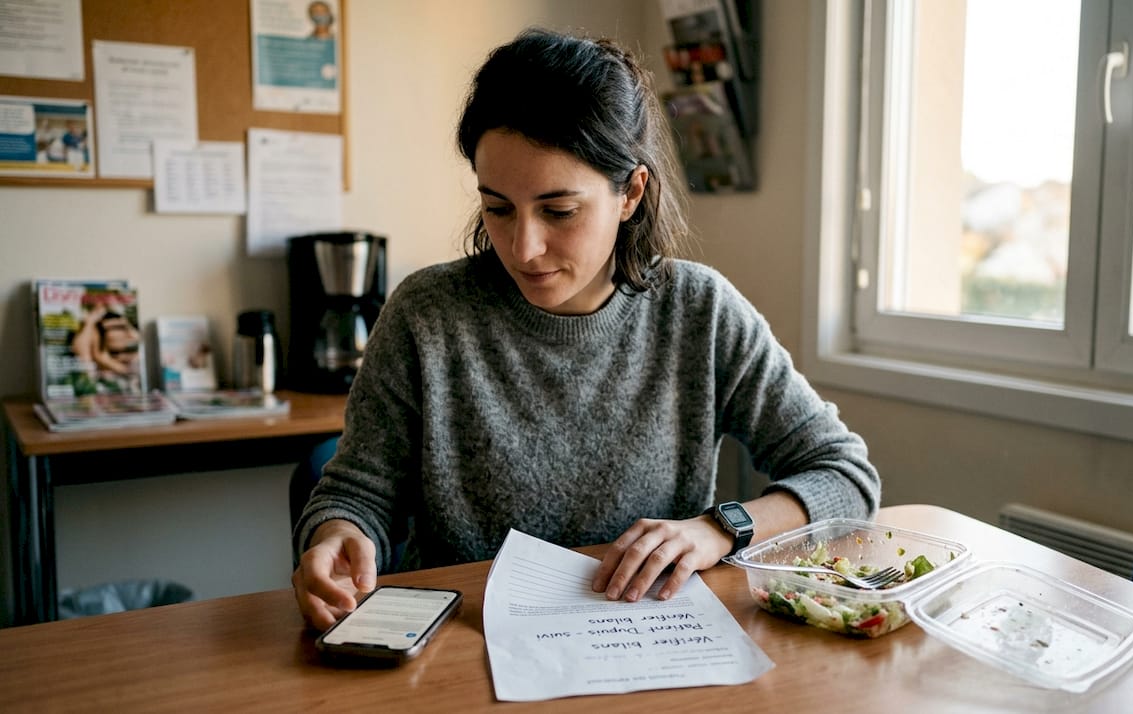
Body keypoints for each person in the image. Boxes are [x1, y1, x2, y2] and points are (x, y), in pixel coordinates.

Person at [291, 28, 881, 629]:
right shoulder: (427, 314)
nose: (523, 247)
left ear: (630, 192)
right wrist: (339, 533)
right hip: (463, 647)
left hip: (640, 642)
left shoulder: (699, 312)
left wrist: (719, 528)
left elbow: (845, 477)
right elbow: (357, 493)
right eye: (497, 207)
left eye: (559, 211)